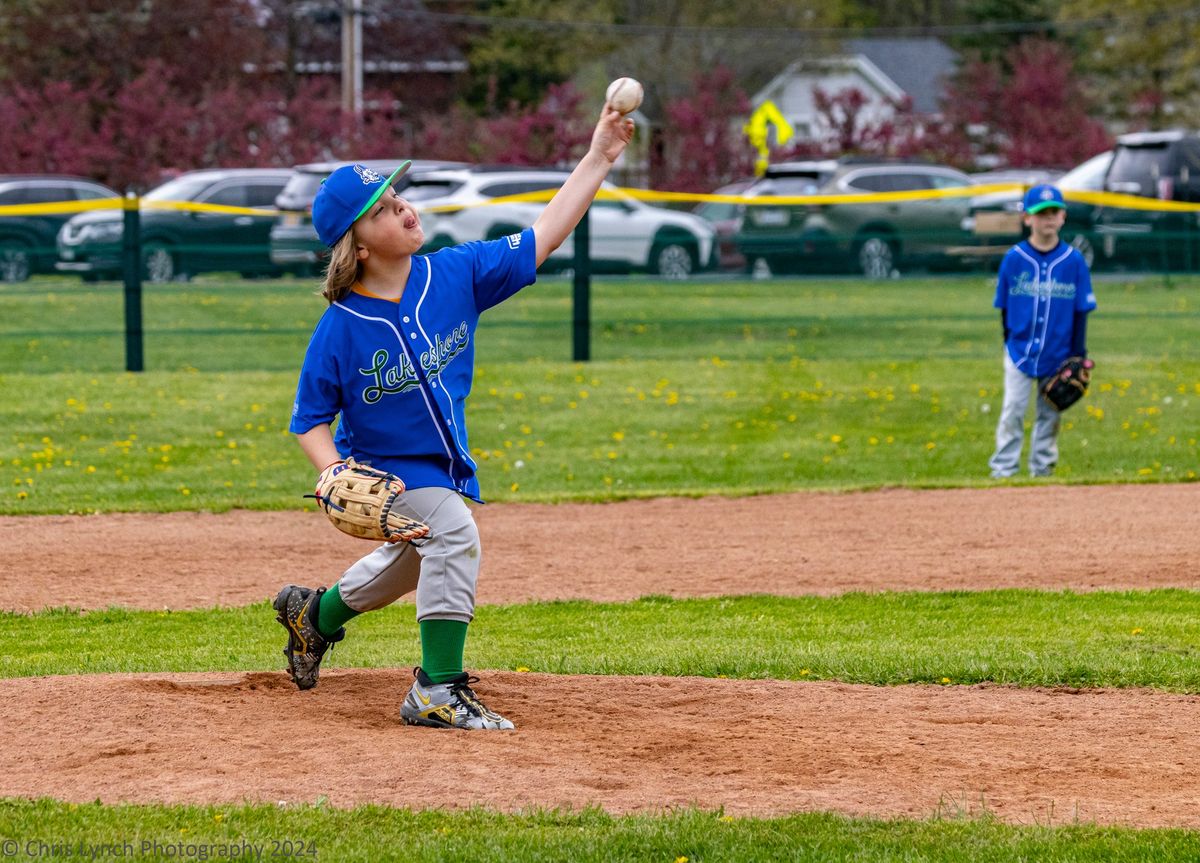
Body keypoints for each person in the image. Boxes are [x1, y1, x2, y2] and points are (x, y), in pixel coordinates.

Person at [274, 104, 633, 730]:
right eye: (384, 208)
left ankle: (316, 616)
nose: (405, 208)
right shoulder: (341, 330)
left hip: (440, 469)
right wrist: (331, 474)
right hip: (384, 475)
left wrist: (600, 154)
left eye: (398, 195)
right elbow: (309, 418)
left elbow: (544, 234)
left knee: (417, 558)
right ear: (356, 245)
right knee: (454, 534)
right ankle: (437, 689)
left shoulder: (453, 275)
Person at [988, 184, 1097, 479]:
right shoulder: (1014, 258)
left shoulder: (1073, 262)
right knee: (1013, 410)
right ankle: (1004, 469)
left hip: (1058, 354)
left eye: (1054, 212)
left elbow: (1080, 310)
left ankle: (1043, 469)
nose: (1048, 219)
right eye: (1041, 213)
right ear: (1027, 219)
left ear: (1063, 217)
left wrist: (1078, 354)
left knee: (1050, 415)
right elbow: (1004, 307)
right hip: (1019, 351)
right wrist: (1008, 342)